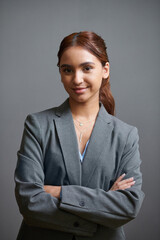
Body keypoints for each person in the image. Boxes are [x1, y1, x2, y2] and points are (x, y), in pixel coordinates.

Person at [14, 31, 145, 240]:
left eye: (86, 68)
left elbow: (128, 206)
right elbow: (29, 201)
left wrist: (57, 192)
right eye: (67, 70)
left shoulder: (126, 135)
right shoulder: (37, 125)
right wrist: (103, 204)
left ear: (105, 70)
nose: (77, 79)